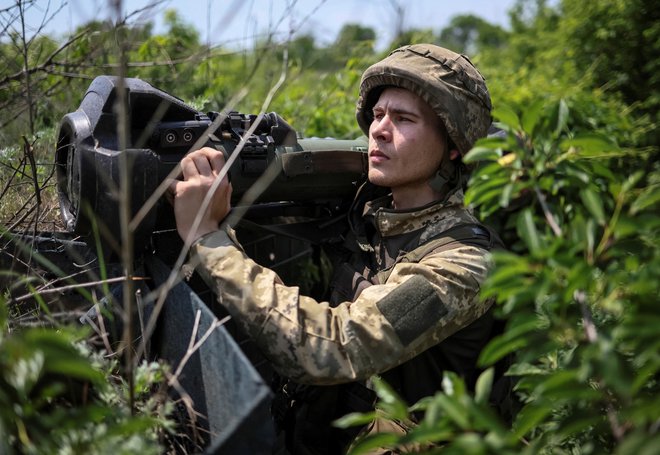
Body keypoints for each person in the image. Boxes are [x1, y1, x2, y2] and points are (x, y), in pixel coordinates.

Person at [169, 44, 501, 454]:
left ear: (453, 144)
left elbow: (329, 347)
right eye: (378, 115)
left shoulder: (465, 263)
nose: (380, 129)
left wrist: (209, 239)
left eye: (403, 119)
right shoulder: (367, 215)